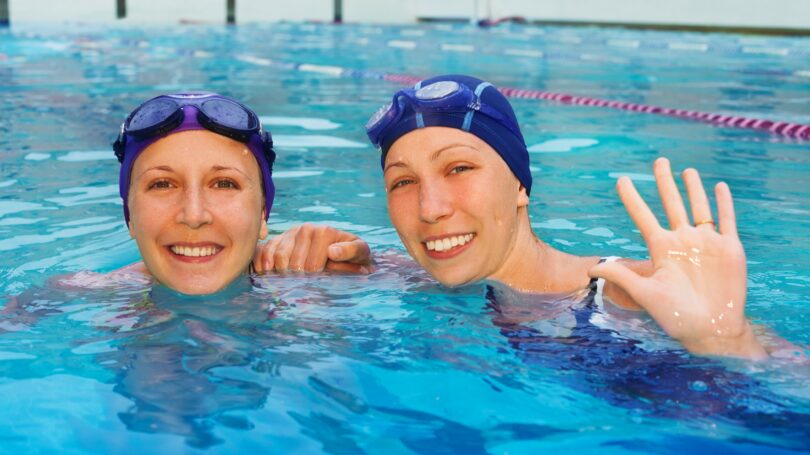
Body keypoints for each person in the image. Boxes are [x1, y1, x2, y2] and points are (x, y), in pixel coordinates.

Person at [359, 74, 771, 360]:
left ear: (520, 185)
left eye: (459, 169)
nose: (431, 209)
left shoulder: (633, 294)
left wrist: (728, 341)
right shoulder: (419, 282)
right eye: (403, 183)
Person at [112, 91, 372, 295]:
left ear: (262, 214)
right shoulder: (82, 300)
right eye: (162, 184)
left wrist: (367, 267)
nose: (194, 215)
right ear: (130, 216)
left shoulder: (321, 282)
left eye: (224, 183)